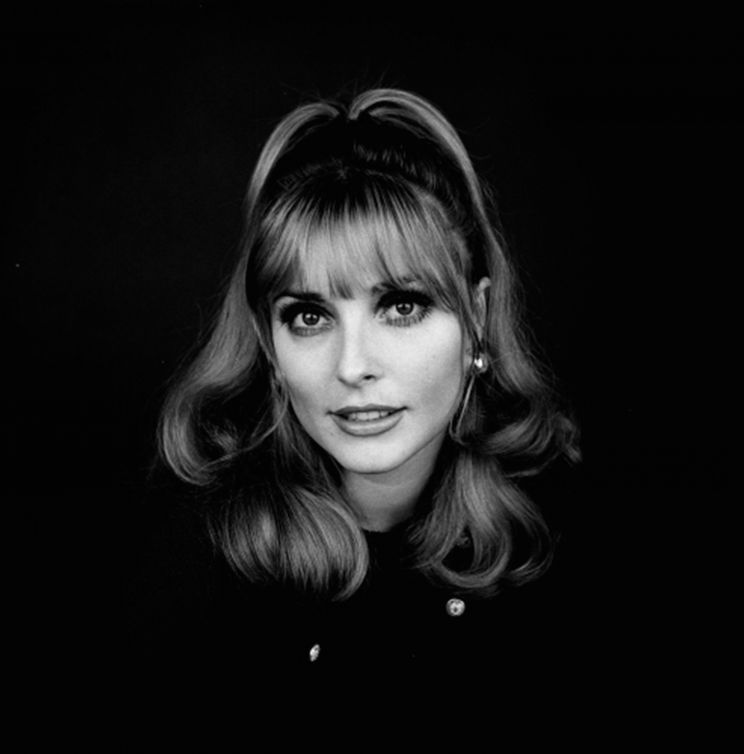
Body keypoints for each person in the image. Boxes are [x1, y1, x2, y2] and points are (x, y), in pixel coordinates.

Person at [130, 88, 581, 688]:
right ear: (268, 342)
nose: (352, 366)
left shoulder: (559, 525)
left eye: (401, 306)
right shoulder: (195, 558)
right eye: (310, 316)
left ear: (476, 317)